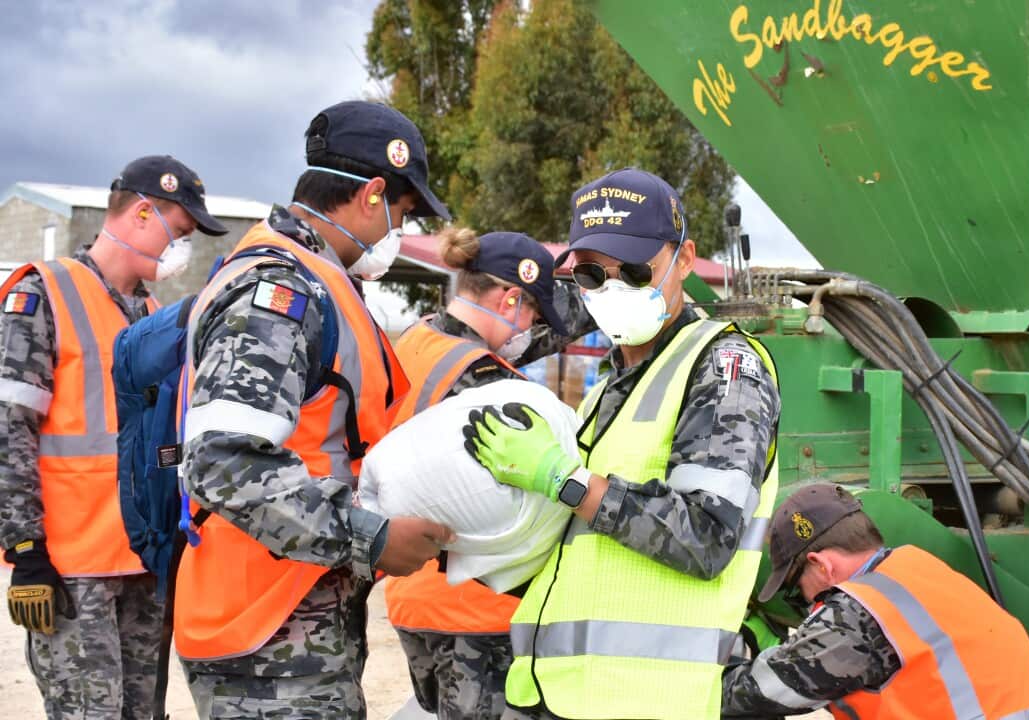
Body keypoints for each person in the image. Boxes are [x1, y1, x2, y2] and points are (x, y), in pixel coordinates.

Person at [463, 167, 782, 720]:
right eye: (590, 274)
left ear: (684, 260)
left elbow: (706, 537)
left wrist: (568, 482)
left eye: (634, 270)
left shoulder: (725, 369)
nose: (610, 289)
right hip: (559, 693)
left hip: (650, 701)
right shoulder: (609, 387)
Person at [174, 101, 454, 719]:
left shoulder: (312, 281)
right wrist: (374, 538)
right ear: (372, 194)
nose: (395, 234)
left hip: (290, 614)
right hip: (267, 633)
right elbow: (222, 464)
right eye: (402, 214)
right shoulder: (279, 292)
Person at [0, 155, 227, 718]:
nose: (184, 247)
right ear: (142, 213)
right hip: (73, 572)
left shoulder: (150, 313)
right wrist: (24, 548)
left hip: (143, 565)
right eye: (180, 231)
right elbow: (8, 429)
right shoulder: (44, 294)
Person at [386, 226, 594, 719]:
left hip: (413, 594)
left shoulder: (419, 338)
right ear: (509, 299)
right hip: (478, 608)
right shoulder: (486, 382)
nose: (533, 329)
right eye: (532, 314)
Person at [721, 483, 1029, 720]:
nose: (806, 603)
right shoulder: (919, 569)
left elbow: (762, 690)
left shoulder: (860, 612)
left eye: (797, 589)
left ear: (821, 566)